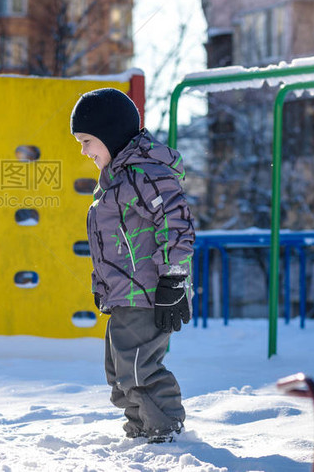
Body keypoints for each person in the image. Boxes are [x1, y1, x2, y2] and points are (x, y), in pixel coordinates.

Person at [70, 88, 195, 443]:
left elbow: (177, 224)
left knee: (139, 368)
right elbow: (110, 243)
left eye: (87, 141)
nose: (84, 151)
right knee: (119, 372)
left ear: (109, 134)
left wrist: (173, 279)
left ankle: (165, 432)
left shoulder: (145, 174)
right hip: (125, 295)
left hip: (150, 292)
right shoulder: (114, 181)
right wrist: (102, 286)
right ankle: (141, 430)